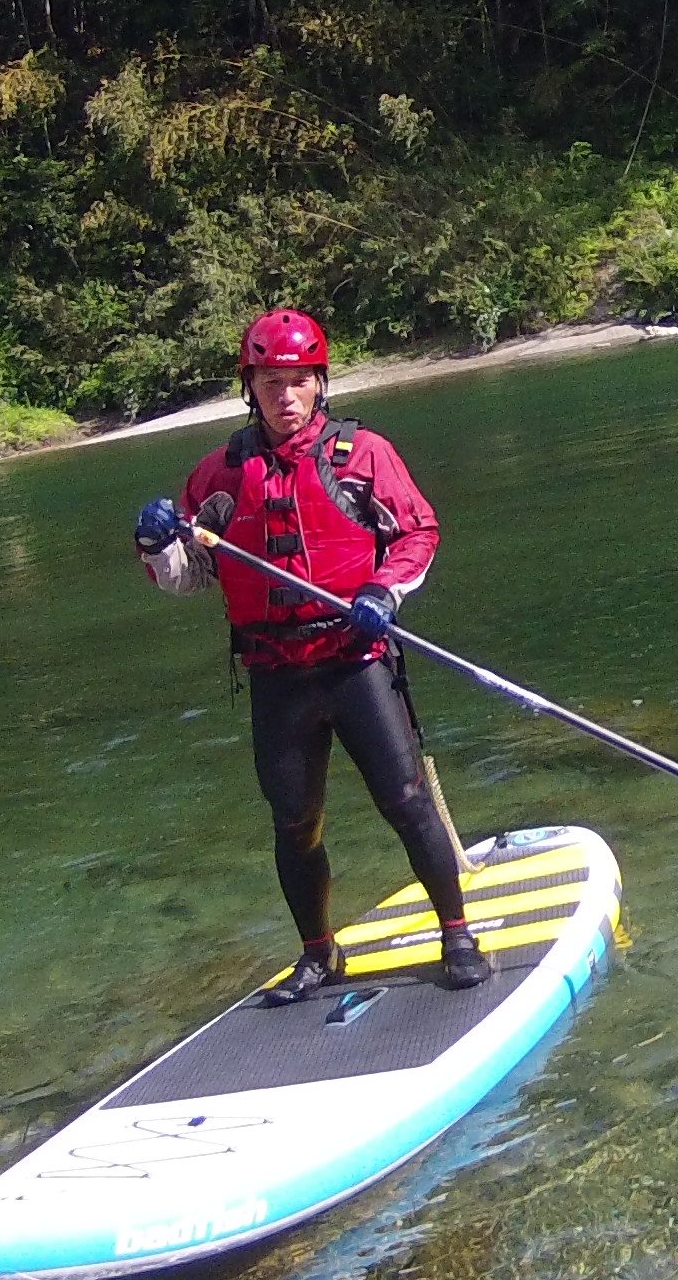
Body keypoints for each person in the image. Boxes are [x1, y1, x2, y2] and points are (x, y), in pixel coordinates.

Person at [134, 311, 489, 997]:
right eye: (271, 383)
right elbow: (188, 576)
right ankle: (319, 954)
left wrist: (384, 591)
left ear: (319, 384)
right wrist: (156, 544)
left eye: (298, 382)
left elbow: (418, 532)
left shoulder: (362, 455)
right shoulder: (219, 476)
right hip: (278, 676)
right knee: (294, 820)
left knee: (405, 800)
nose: (286, 396)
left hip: (355, 660)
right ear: (251, 388)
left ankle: (457, 934)